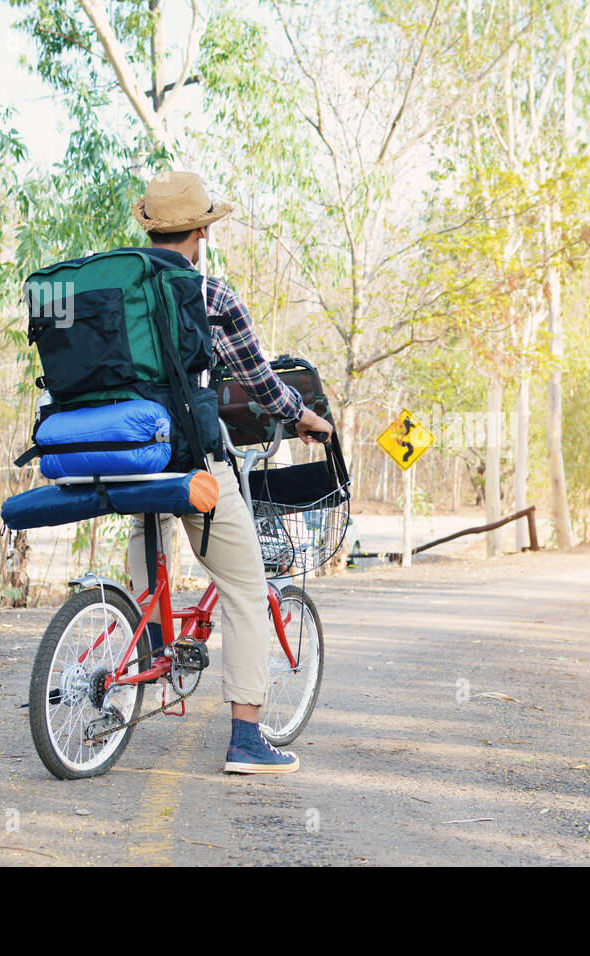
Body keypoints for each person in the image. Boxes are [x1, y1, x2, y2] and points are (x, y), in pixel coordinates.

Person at [126, 170, 333, 774]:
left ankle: (149, 654)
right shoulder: (211, 297)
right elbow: (262, 383)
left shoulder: (114, 295)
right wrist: (304, 419)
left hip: (121, 457)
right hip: (190, 461)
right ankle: (245, 741)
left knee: (148, 550)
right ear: (199, 233)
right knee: (245, 587)